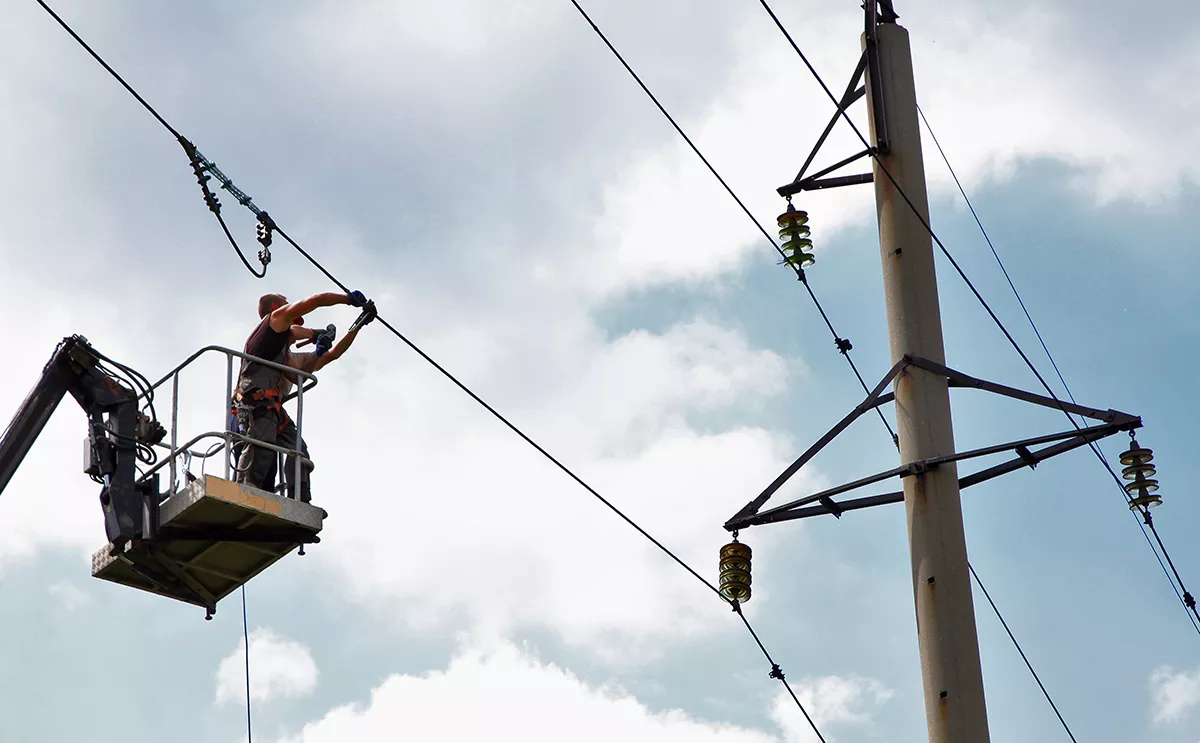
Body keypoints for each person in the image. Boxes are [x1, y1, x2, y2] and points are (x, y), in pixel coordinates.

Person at [233, 290, 369, 501]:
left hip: (273, 409)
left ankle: (299, 496)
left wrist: (357, 326)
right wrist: (346, 299)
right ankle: (244, 490)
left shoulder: (285, 357)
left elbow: (328, 358)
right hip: (255, 403)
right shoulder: (273, 320)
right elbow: (314, 301)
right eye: (284, 302)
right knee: (260, 447)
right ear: (275, 307)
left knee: (299, 451)